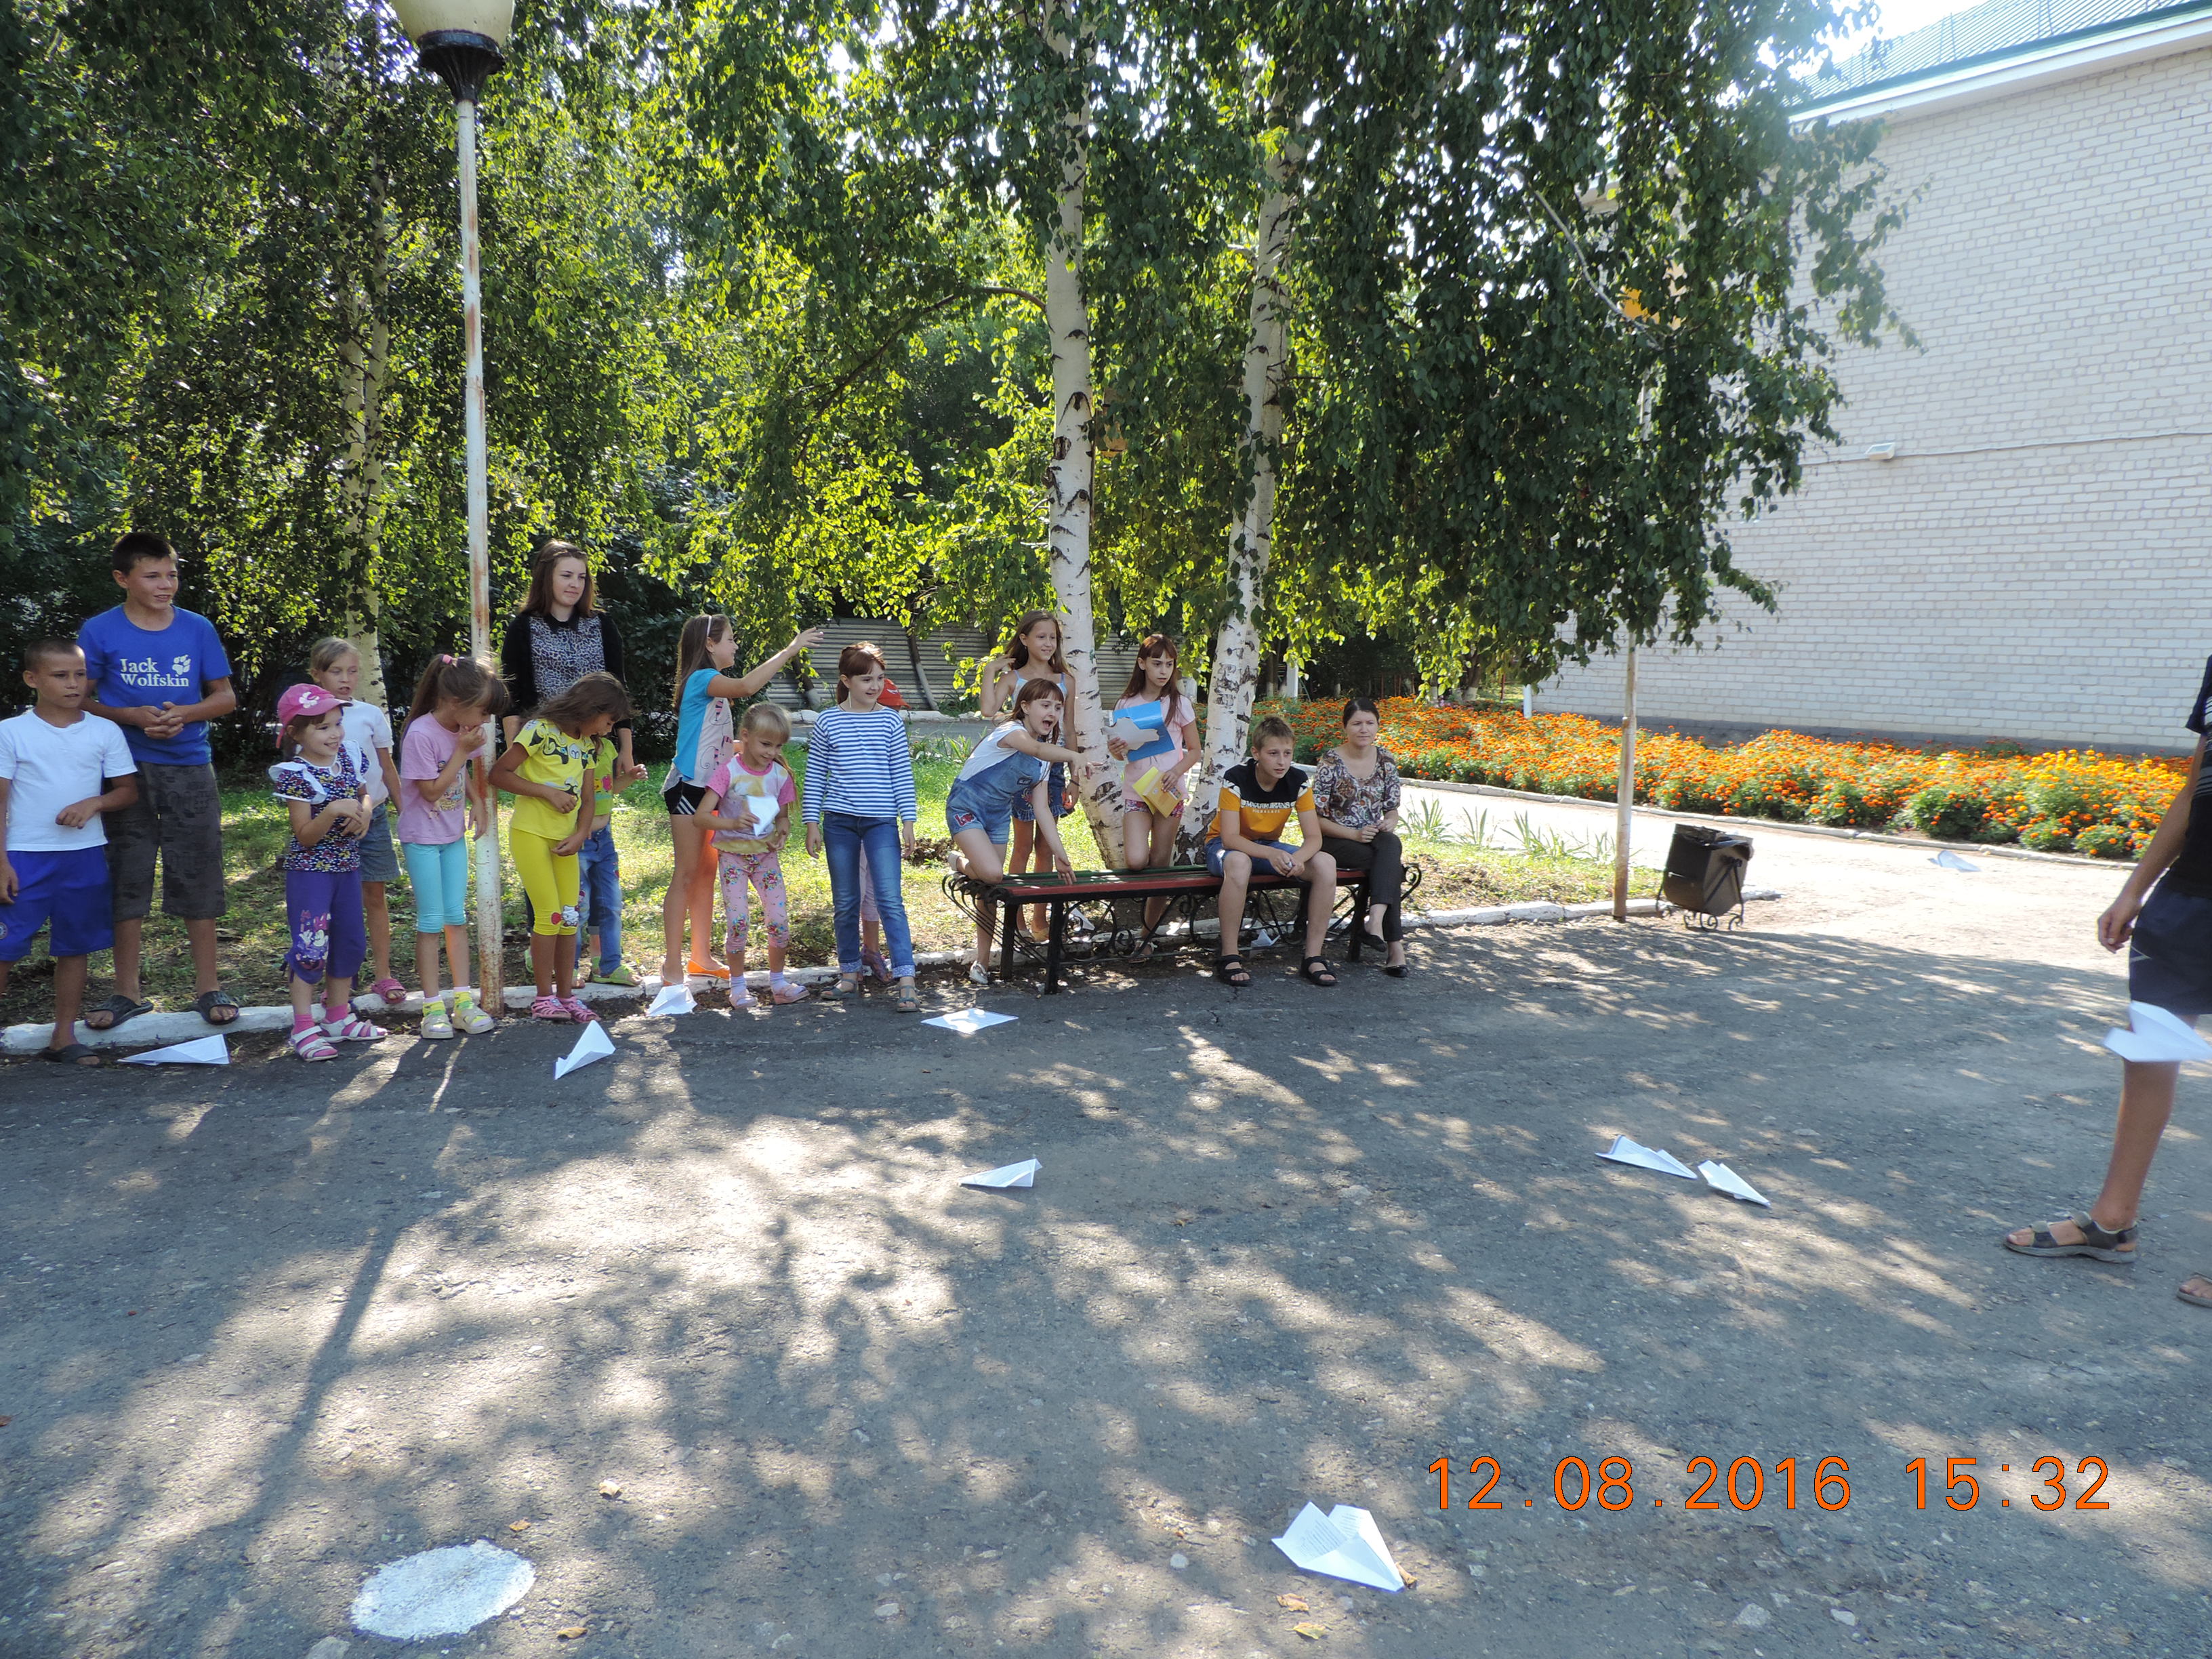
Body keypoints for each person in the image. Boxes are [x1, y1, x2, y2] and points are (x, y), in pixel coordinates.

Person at [2004, 657, 2212, 1311]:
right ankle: (2112, 1221)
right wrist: (2135, 889)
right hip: (2189, 896)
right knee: (2149, 1046)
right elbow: (2195, 787)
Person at [78, 531, 239, 1030]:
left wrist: (185, 714)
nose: (166, 584)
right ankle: (126, 991)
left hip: (190, 766)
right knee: (127, 873)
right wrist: (129, 715)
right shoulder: (99, 630)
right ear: (122, 579)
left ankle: (208, 986)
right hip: (123, 770)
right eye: (152, 576)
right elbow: (79, 697)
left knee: (199, 869)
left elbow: (225, 697)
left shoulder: (197, 628)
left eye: (172, 574)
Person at [499, 540, 648, 984]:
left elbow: (617, 691)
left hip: (593, 747)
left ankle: (599, 956)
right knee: (546, 843)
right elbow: (513, 695)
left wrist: (626, 749)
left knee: (589, 838)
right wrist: (515, 747)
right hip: (542, 748)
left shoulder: (601, 625)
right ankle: (541, 949)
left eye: (581, 577)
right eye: (566, 575)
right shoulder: (524, 627)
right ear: (546, 577)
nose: (574, 584)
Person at [659, 614, 825, 988]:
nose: (735, 645)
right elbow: (749, 686)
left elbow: (717, 743)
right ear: (710, 644)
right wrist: (791, 649)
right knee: (685, 874)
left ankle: (700, 957)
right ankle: (671, 964)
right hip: (688, 788)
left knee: (705, 873)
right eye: (730, 639)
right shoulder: (703, 679)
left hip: (711, 787)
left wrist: (753, 749)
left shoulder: (715, 691)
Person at [0, 640, 139, 1065]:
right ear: (32, 679)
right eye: (60, 676)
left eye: (79, 675)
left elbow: (127, 791)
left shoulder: (104, 731)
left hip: (84, 855)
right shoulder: (11, 732)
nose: (73, 684)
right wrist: (1, 861)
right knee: (5, 946)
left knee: (74, 946)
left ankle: (63, 1036)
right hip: (23, 856)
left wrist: (94, 803)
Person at [492, 670, 630, 1023]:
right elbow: (499, 774)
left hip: (567, 841)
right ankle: (543, 997)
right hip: (531, 834)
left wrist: (581, 834)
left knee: (570, 918)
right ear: (591, 708)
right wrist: (547, 793)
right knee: (549, 916)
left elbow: (589, 798)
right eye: (608, 720)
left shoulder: (588, 746)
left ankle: (567, 997)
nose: (609, 729)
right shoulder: (538, 731)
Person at [268, 684, 385, 1061]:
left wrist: (365, 810)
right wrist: (333, 810)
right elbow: (304, 836)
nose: (335, 734)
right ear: (295, 733)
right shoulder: (296, 774)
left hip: (348, 869)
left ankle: (338, 1016)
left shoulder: (348, 755)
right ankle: (303, 1026)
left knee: (350, 943)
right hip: (311, 875)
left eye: (337, 724)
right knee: (310, 948)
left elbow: (364, 792)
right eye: (323, 727)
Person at [803, 644, 920, 1011]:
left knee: (890, 900)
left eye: (880, 678)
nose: (875, 686)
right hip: (839, 824)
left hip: (881, 823)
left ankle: (906, 979)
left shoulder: (890, 721)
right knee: (845, 902)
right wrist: (811, 823)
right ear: (846, 680)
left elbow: (902, 774)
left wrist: (908, 821)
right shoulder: (827, 721)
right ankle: (849, 975)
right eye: (867, 679)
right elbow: (815, 776)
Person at [397, 654, 508, 1038]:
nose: (486, 721)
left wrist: (477, 801)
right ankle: (432, 1007)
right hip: (422, 839)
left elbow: (465, 772)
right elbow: (430, 791)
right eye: (483, 711)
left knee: (456, 918)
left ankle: (463, 1002)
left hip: (451, 836)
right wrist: (461, 750)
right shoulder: (421, 734)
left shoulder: (464, 730)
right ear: (456, 703)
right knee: (431, 922)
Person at [947, 678, 1082, 983]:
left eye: (1058, 707)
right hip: (966, 806)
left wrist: (1060, 856)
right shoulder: (1011, 732)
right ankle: (960, 862)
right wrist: (1074, 756)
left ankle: (982, 961)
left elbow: (1042, 809)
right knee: (993, 874)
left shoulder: (1043, 761)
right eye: (1045, 705)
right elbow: (1034, 747)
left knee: (989, 884)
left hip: (997, 816)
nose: (1053, 713)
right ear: (1025, 707)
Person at [307, 638, 407, 1004]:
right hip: (327, 823)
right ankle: (339, 980)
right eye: (336, 671)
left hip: (373, 817)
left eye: (352, 671)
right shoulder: (307, 718)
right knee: (335, 903)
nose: (346, 679)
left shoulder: (370, 714)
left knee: (374, 896)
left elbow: (386, 766)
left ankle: (383, 974)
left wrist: (404, 811)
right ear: (317, 674)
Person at [1206, 714, 1338, 988]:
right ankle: (1229, 955)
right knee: (1240, 862)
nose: (1282, 762)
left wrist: (1298, 860)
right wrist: (1270, 855)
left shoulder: (1298, 781)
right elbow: (1230, 838)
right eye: (1273, 753)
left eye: (1287, 753)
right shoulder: (1236, 778)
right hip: (1225, 848)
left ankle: (1313, 956)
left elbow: (1314, 838)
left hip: (1267, 847)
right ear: (1256, 753)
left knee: (1325, 863)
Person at [699, 703, 808, 1008]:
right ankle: (737, 986)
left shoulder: (780, 775)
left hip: (765, 859)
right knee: (738, 922)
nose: (772, 752)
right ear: (745, 736)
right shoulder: (728, 772)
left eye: (779, 746)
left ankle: (779, 983)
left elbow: (783, 817)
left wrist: (782, 831)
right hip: (733, 858)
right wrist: (733, 823)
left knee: (780, 921)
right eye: (766, 744)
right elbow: (701, 818)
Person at [981, 611, 1073, 938]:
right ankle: (1016, 917)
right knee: (1022, 846)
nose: (1048, 644)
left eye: (1053, 638)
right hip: (1020, 766)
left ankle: (1039, 918)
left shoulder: (1065, 680)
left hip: (1053, 768)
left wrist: (1074, 776)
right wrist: (990, 672)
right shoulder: (1014, 678)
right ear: (1024, 640)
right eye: (1041, 637)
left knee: (1045, 846)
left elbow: (1070, 729)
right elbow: (988, 710)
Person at [1110, 634, 1200, 955]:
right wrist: (1115, 748)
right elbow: (1122, 753)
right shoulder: (1126, 704)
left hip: (1168, 793)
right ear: (1142, 663)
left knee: (1161, 864)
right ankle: (1143, 921)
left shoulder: (1179, 703)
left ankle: (1147, 936)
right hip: (1137, 791)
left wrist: (1177, 771)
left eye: (1169, 664)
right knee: (1136, 860)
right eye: (1157, 663)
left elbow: (1195, 751)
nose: (1163, 670)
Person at [1315, 697, 1410, 976]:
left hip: (1373, 840)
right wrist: (1354, 834)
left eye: (1370, 723)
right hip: (1334, 840)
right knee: (1391, 867)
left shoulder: (1386, 760)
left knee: (1391, 842)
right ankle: (1395, 948)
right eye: (1357, 723)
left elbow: (1392, 809)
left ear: (1378, 726)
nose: (1364, 729)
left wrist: (1389, 822)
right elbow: (1316, 819)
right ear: (1345, 726)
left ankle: (1375, 921)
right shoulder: (1331, 761)